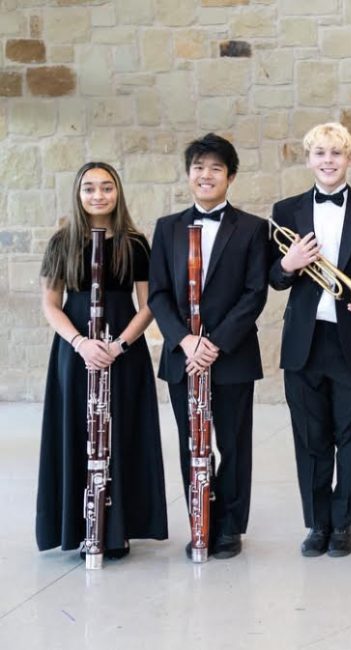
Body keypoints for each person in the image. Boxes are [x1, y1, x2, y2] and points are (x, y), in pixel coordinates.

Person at [270, 122, 351, 558]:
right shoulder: (285, 210)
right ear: (308, 159)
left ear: (349, 159)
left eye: (336, 154)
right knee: (311, 438)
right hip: (305, 342)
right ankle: (317, 523)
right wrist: (287, 264)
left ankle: (344, 523)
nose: (328, 161)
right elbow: (274, 278)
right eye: (320, 153)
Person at [36, 162, 168, 560]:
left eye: (106, 188)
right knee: (76, 432)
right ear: (79, 194)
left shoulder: (135, 243)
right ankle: (78, 526)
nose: (98, 195)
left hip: (122, 353)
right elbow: (50, 304)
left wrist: (118, 346)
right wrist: (80, 343)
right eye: (89, 188)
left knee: (122, 433)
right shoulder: (62, 242)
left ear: (117, 193)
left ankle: (118, 530)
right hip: (76, 354)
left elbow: (149, 306)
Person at [148, 133, 269, 560]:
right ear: (188, 175)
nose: (206, 175)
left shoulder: (254, 228)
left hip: (232, 354)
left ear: (230, 177)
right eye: (199, 167)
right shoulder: (166, 229)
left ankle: (230, 527)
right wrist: (184, 340)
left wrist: (214, 343)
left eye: (216, 168)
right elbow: (158, 294)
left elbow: (255, 294)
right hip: (183, 357)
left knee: (234, 443)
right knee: (191, 442)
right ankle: (202, 518)